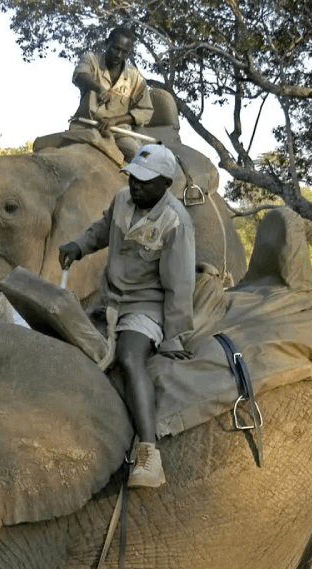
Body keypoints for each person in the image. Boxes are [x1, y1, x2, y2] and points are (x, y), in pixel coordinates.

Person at [58, 143, 195, 488]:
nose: (136, 186)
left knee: (130, 357)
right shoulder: (122, 200)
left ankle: (149, 452)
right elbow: (103, 229)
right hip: (108, 299)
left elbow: (180, 285)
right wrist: (79, 245)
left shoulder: (175, 221)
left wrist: (174, 335)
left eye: (145, 181)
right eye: (133, 177)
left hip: (145, 307)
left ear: (165, 183)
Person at [69, 25, 154, 161]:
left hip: (118, 132)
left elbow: (145, 111)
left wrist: (115, 120)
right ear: (106, 42)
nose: (118, 55)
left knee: (142, 159)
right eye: (116, 48)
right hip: (85, 126)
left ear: (129, 53)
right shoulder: (91, 60)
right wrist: (98, 88)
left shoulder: (135, 78)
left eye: (124, 52)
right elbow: (80, 75)